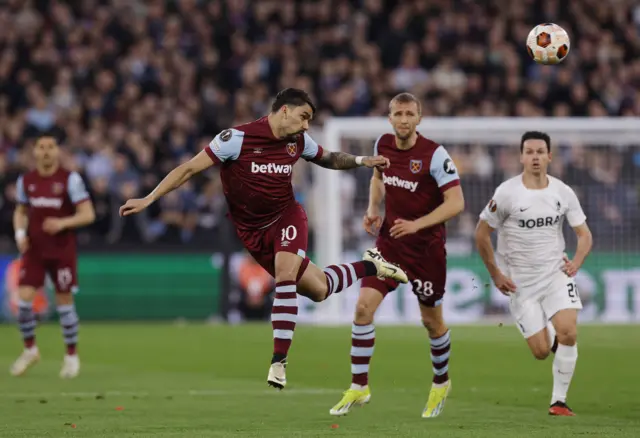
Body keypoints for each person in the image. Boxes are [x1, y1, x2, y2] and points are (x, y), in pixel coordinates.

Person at [119, 88, 408, 389]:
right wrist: (150, 198)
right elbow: (190, 168)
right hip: (252, 232)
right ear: (284, 110)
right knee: (319, 289)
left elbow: (329, 158)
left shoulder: (298, 141)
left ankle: (278, 362)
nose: (307, 125)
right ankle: (371, 266)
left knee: (285, 275)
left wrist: (362, 160)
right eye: (304, 117)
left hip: (287, 217)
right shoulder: (236, 139)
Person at [329, 93, 465, 418]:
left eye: (409, 114)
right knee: (362, 308)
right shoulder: (383, 145)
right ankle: (359, 386)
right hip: (390, 245)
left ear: (419, 118)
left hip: (426, 250)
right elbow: (378, 179)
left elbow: (456, 203)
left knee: (431, 323)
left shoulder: (434, 155)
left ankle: (441, 382)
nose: (403, 120)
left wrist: (417, 225)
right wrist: (373, 207)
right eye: (398, 114)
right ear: (389, 118)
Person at [475, 131, 593, 416]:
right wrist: (495, 274)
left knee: (569, 331)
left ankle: (558, 402)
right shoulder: (507, 193)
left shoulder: (563, 192)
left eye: (540, 151)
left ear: (550, 156)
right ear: (521, 157)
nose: (535, 156)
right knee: (541, 351)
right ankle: (557, 346)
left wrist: (576, 261)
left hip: (555, 273)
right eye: (529, 152)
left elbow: (584, 234)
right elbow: (481, 235)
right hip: (520, 283)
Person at [11, 134, 96, 379]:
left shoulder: (70, 179)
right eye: (41, 147)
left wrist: (62, 222)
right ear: (34, 152)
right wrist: (19, 234)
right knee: (24, 299)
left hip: (61, 250)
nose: (46, 151)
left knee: (64, 301)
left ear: (57, 151)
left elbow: (87, 214)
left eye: (51, 147)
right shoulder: (26, 181)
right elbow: (20, 211)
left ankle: (71, 355)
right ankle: (30, 349)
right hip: (35, 249)